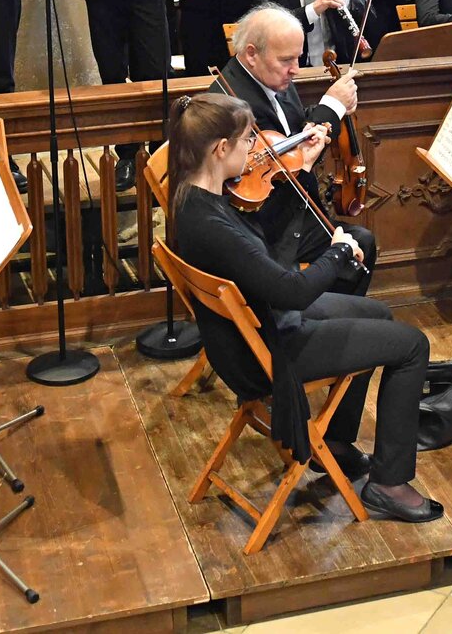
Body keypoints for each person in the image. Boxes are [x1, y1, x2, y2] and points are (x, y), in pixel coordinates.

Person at [166, 92, 437, 521]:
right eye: (245, 142)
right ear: (220, 149)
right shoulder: (213, 224)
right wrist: (339, 253)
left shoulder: (194, 197)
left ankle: (337, 441)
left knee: (379, 316)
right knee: (411, 345)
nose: (255, 150)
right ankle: (388, 484)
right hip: (268, 352)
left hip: (252, 332)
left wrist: (305, 170)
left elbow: (268, 260)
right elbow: (291, 290)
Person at [211, 6, 376, 279]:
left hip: (296, 207)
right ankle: (309, 315)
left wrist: (321, 119)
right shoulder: (231, 105)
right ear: (251, 53)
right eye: (287, 60)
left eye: (297, 59)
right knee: (355, 250)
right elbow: (274, 173)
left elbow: (293, 129)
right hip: (264, 225)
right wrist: (331, 107)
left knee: (360, 244)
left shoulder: (272, 77)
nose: (295, 70)